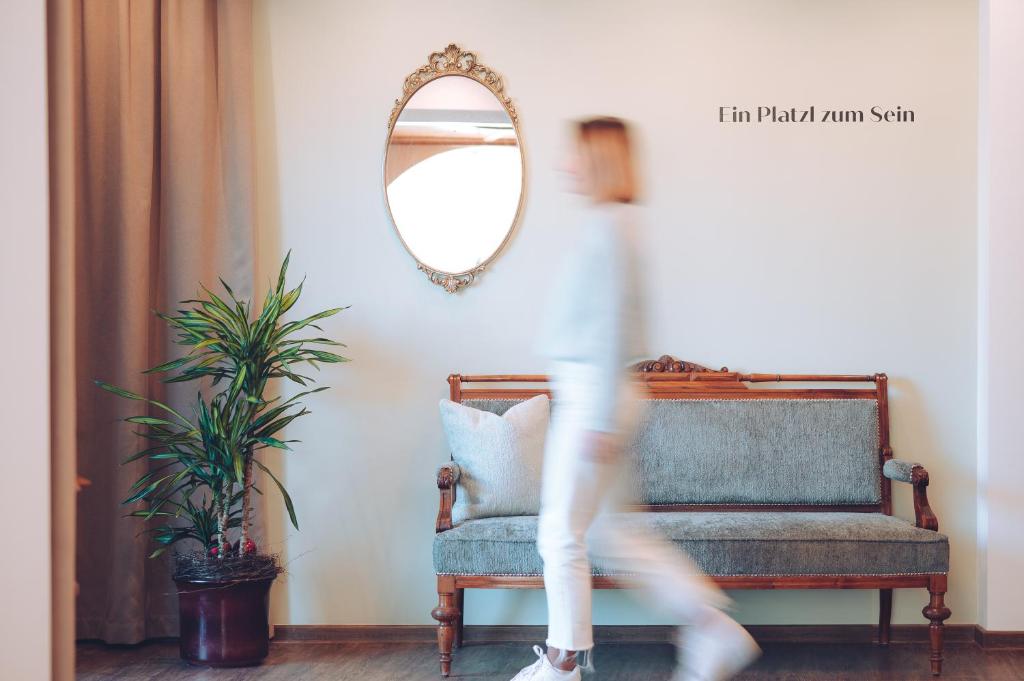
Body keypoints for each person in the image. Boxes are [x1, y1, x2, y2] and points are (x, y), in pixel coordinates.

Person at [512, 118, 760, 681]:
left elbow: (608, 331)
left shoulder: (608, 228)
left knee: (559, 532)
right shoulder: (616, 226)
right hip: (602, 396)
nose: (564, 165)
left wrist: (597, 418)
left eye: (573, 155)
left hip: (592, 397)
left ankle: (563, 661)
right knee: (608, 532)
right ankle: (710, 626)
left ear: (598, 158)